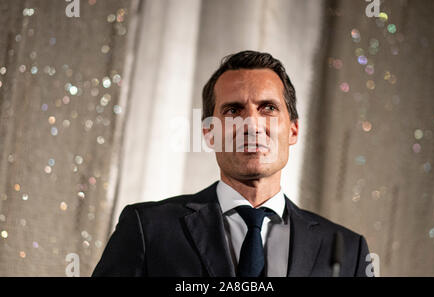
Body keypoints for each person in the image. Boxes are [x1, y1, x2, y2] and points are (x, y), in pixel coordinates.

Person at [92, 50, 371, 277]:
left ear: (294, 130)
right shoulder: (147, 228)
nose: (251, 123)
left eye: (269, 108)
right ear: (210, 133)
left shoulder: (348, 249)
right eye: (233, 110)